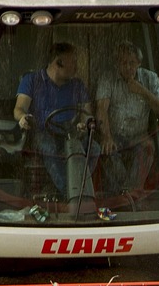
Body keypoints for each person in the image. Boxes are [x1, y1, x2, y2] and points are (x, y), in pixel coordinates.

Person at [12, 43, 100, 198]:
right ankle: (71, 195)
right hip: (43, 132)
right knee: (50, 148)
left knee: (94, 149)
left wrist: (83, 124)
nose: (76, 67)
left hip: (71, 134)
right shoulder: (32, 80)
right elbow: (19, 109)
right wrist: (23, 118)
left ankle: (76, 188)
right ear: (58, 63)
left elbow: (87, 113)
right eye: (73, 62)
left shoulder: (77, 85)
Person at [95, 41, 159, 194]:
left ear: (139, 63)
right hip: (114, 136)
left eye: (132, 63)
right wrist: (107, 137)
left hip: (139, 137)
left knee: (147, 149)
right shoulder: (108, 78)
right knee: (106, 152)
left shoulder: (150, 78)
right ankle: (129, 195)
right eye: (123, 63)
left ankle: (127, 196)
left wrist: (143, 91)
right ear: (117, 63)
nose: (128, 67)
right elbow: (101, 108)